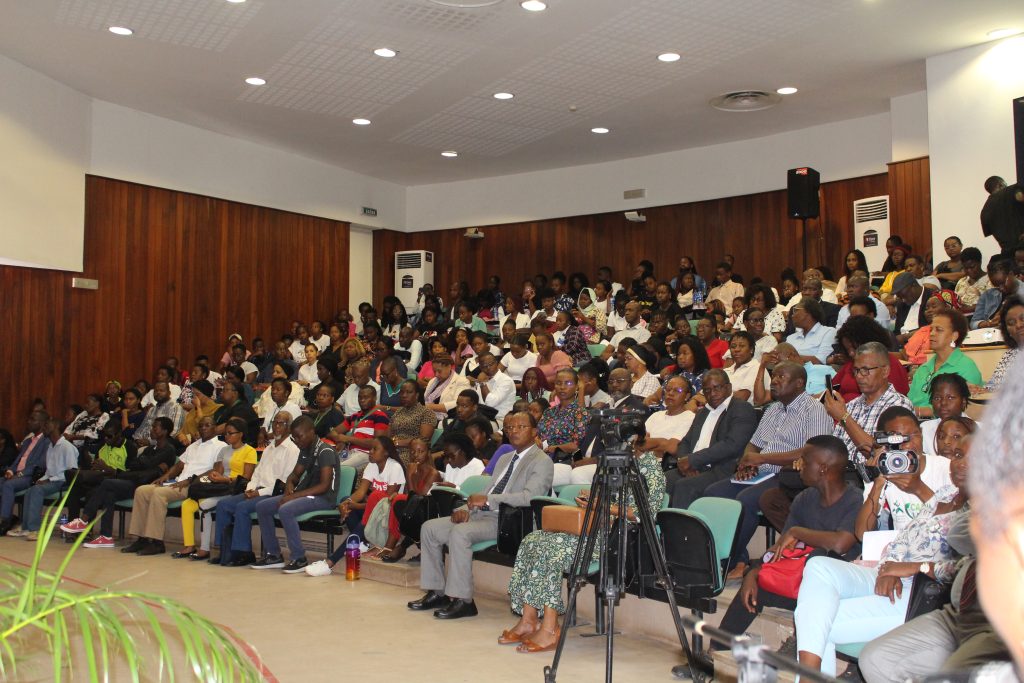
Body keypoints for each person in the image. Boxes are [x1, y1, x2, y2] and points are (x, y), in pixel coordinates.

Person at [794, 415, 970, 675]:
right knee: (819, 567)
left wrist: (912, 567)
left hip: (927, 593)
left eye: (968, 457)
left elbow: (966, 571)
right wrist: (891, 565)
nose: (958, 463)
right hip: (892, 572)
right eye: (956, 456)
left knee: (814, 620)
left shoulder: (985, 509)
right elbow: (905, 537)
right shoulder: (947, 495)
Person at [704, 436, 862, 666]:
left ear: (824, 468)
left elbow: (841, 544)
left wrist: (798, 531)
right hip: (799, 582)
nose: (798, 465)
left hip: (836, 592)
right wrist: (754, 572)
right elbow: (781, 551)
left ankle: (799, 643)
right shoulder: (804, 499)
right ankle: (716, 653)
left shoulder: (855, 500)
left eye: (805, 461)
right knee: (755, 584)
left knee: (819, 559)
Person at [500, 445, 666, 652]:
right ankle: (528, 619)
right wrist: (591, 500)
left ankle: (551, 628)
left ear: (633, 442)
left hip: (617, 537)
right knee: (532, 540)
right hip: (596, 527)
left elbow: (647, 513)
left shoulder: (650, 468)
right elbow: (606, 500)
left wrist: (603, 506)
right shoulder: (611, 463)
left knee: (551, 549)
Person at [408, 411, 553, 619]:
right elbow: (488, 491)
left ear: (535, 431)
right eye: (510, 427)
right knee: (430, 528)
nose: (514, 431)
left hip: (509, 520)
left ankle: (463, 600)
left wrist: (487, 502)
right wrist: (465, 510)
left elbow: (531, 497)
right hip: (482, 514)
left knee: (460, 533)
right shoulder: (504, 458)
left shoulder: (541, 461)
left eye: (521, 427)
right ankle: (437, 592)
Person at [704, 362, 835, 572]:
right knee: (712, 493)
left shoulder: (814, 410)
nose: (773, 381)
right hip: (761, 470)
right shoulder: (773, 409)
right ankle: (730, 558)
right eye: (773, 377)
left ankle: (726, 564)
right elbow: (754, 443)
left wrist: (764, 459)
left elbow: (811, 453)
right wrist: (748, 460)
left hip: (789, 474)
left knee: (745, 500)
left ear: (799, 383)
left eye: (781, 377)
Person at [121, 416, 228, 556]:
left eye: (207, 425)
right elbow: (179, 465)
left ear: (215, 427)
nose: (203, 428)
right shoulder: (193, 445)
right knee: (142, 490)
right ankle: (142, 539)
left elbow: (214, 470)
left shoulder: (221, 447)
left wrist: (190, 480)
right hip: (177, 482)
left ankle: (156, 542)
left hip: (194, 485)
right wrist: (164, 477)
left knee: (158, 494)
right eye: (201, 426)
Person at [250, 416, 340, 573]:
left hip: (324, 498)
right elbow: (294, 475)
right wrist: (289, 487)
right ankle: (274, 555)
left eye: (300, 436)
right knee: (262, 506)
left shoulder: (325, 451)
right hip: (306, 495)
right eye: (294, 437)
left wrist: (293, 497)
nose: (297, 440)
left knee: (286, 509)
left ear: (312, 432)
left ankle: (299, 558)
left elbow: (324, 486)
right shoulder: (305, 450)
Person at [212, 410, 299, 566]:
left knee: (242, 508)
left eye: (281, 423)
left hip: (272, 493)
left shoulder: (292, 450)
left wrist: (259, 492)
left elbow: (284, 482)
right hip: (256, 489)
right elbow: (257, 473)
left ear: (289, 427)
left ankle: (243, 553)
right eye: (275, 422)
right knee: (223, 505)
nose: (277, 426)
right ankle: (224, 550)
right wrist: (250, 488)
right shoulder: (269, 447)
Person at [77, 417, 178, 549]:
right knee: (109, 494)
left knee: (107, 483)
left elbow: (145, 466)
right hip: (134, 481)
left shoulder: (169, 449)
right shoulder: (149, 449)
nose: (151, 429)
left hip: (147, 485)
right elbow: (135, 465)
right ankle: (106, 536)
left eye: (155, 427)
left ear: (164, 431)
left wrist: (146, 465)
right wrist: (150, 466)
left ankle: (83, 519)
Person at [666, 369, 758, 509]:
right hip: (695, 466)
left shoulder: (741, 408)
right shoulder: (703, 412)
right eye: (707, 390)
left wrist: (693, 460)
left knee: (685, 486)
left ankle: (682, 531)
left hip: (721, 469)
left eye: (717, 388)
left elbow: (732, 445)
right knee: (660, 480)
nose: (712, 394)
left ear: (729, 387)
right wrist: (686, 463)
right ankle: (655, 528)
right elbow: (685, 442)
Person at [174, 417, 256, 561]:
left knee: (204, 505)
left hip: (235, 489)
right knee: (187, 504)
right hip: (219, 488)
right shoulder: (224, 450)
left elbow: (246, 478)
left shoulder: (249, 451)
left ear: (241, 434)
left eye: (231, 433)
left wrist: (224, 479)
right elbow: (217, 471)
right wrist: (214, 475)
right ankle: (191, 546)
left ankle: (206, 548)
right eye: (226, 433)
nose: (227, 436)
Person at [59, 421, 139, 532]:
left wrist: (107, 468)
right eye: (104, 435)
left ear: (119, 434)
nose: (106, 438)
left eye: (110, 436)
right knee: (74, 489)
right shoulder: (103, 446)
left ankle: (86, 531)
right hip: (99, 479)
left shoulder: (130, 447)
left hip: (116, 482)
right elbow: (97, 466)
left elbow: (129, 474)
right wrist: (94, 467)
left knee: (92, 493)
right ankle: (73, 526)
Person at [12, 418, 78, 540]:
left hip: (63, 481)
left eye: (48, 425)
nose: (44, 427)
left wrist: (49, 480)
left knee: (37, 491)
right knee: (31, 490)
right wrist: (43, 478)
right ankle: (26, 528)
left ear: (56, 426)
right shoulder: (50, 447)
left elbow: (71, 472)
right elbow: (49, 471)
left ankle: (35, 530)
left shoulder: (66, 447)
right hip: (52, 480)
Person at [907, 310, 981, 411]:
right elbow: (910, 401)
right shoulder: (924, 368)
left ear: (954, 336)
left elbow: (963, 409)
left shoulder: (966, 367)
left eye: (939, 330)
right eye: (931, 329)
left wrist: (918, 412)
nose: (932, 334)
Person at [829, 316, 909, 401]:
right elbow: (831, 389)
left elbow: (889, 401)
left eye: (854, 348)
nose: (851, 353)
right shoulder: (851, 364)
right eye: (847, 349)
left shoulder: (888, 363)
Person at [537, 369, 590, 486]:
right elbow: (539, 435)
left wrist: (555, 447)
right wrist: (537, 441)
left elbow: (576, 445)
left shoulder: (580, 413)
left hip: (567, 459)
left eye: (568, 383)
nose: (562, 387)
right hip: (543, 455)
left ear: (577, 387)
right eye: (558, 383)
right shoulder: (548, 412)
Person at [332, 385, 390, 470]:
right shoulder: (354, 416)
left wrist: (348, 439)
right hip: (349, 452)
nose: (362, 400)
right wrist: (340, 441)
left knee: (337, 469)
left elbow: (377, 444)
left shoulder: (380, 416)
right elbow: (333, 432)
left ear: (374, 398)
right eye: (360, 397)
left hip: (366, 454)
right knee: (327, 466)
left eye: (366, 397)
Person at [901, 290, 959, 366]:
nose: (929, 311)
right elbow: (904, 353)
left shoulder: (953, 332)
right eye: (926, 308)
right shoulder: (922, 330)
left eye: (934, 307)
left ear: (947, 308)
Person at [389, 380, 439, 464]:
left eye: (409, 392)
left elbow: (423, 440)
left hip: (412, 453)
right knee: (369, 467)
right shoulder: (398, 412)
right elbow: (388, 435)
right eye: (402, 392)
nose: (404, 395)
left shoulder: (426, 412)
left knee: (391, 465)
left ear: (417, 395)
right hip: (392, 450)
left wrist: (397, 443)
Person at [920, 373, 971, 455]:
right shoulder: (925, 429)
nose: (943, 403)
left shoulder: (980, 430)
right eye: (937, 398)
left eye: (950, 397)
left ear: (963, 402)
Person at [983, 299, 1024, 392]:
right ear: (1008, 332)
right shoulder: (1009, 356)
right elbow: (992, 387)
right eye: (1011, 323)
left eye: (1023, 319)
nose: (1018, 325)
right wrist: (980, 389)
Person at [980, 178, 1024, 257]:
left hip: (1007, 253)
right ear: (1000, 184)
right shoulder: (1012, 190)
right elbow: (1020, 197)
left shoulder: (984, 211)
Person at [971, 258, 1020, 329]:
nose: (1001, 288)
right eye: (996, 285)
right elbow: (973, 323)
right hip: (989, 335)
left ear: (1011, 274)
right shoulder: (987, 295)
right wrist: (988, 324)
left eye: (1003, 283)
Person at [469, 353, 516, 425]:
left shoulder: (506, 381)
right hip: (483, 418)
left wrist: (482, 383)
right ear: (481, 368)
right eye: (485, 366)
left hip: (501, 420)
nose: (488, 368)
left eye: (491, 364)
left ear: (496, 363)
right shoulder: (483, 379)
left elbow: (490, 403)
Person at [135, 381, 186, 448]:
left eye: (161, 390)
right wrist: (137, 439)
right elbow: (142, 428)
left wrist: (150, 442)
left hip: (159, 446)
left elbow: (173, 433)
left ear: (169, 393)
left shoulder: (176, 408)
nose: (158, 393)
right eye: (156, 391)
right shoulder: (151, 410)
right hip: (141, 444)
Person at [723, 331, 768, 404]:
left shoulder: (757, 368)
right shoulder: (726, 371)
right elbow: (701, 394)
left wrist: (714, 398)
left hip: (741, 412)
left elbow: (742, 396)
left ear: (751, 350)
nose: (736, 350)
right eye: (733, 346)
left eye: (741, 346)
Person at [786, 299, 836, 364]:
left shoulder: (828, 332)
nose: (792, 315)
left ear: (808, 313)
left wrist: (789, 358)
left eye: (796, 310)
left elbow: (821, 360)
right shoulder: (790, 338)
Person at [423, 354, 471, 422]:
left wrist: (430, 407)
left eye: (439, 371)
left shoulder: (461, 381)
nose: (436, 374)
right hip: (428, 417)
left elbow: (459, 404)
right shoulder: (432, 381)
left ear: (449, 367)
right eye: (434, 371)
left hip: (446, 419)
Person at [212, 380, 260, 445]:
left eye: (225, 390)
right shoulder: (222, 408)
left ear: (235, 393)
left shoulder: (244, 408)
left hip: (243, 446)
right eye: (222, 390)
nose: (221, 392)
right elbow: (212, 423)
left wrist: (208, 433)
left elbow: (229, 426)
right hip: (222, 443)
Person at [259, 378, 303, 444]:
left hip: (284, 445)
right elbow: (264, 427)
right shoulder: (271, 409)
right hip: (268, 445)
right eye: (272, 389)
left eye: (278, 389)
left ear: (286, 393)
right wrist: (261, 434)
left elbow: (291, 430)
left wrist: (269, 436)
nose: (274, 392)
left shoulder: (294, 408)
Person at [891, 271, 931, 343]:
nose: (903, 300)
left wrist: (905, 337)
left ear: (914, 285)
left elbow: (931, 328)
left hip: (922, 345)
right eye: (900, 297)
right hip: (902, 347)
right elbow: (897, 331)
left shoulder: (932, 298)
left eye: (904, 295)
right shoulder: (902, 304)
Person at [953, 247, 991, 314]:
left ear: (980, 262)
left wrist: (967, 309)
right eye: (966, 268)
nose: (969, 271)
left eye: (972, 267)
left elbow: (990, 303)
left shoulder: (990, 280)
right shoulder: (961, 281)